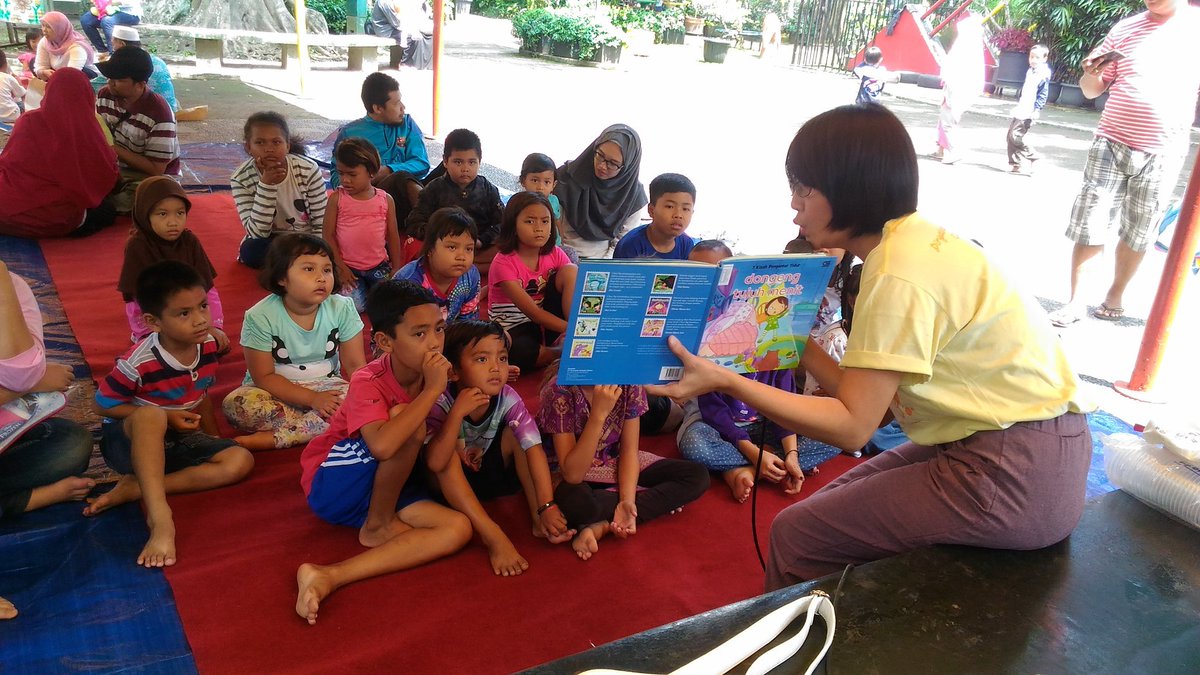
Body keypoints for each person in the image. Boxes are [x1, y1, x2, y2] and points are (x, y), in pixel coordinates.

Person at [648, 104, 1092, 590]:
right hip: (1026, 453)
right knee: (823, 507)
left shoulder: (896, 272)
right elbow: (868, 404)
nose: (794, 204)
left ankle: (800, 637)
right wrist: (791, 337)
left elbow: (855, 427)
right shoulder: (912, 245)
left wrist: (726, 379)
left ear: (848, 188)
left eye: (804, 189)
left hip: (1011, 473)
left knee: (797, 534)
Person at [294, 280, 471, 625]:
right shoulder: (368, 379)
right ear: (385, 342)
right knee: (404, 420)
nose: (434, 343)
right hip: (335, 482)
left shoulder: (436, 372)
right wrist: (432, 391)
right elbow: (383, 446)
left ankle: (329, 575)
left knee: (456, 529)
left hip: (389, 484)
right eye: (419, 334)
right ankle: (378, 525)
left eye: (438, 329)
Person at [87, 261, 255, 568]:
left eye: (203, 306)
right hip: (128, 443)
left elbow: (201, 394)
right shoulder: (137, 362)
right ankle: (160, 518)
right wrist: (165, 415)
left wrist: (213, 440)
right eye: (184, 313)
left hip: (175, 439)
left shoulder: (207, 345)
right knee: (151, 416)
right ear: (153, 322)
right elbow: (101, 405)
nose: (201, 320)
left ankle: (136, 487)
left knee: (239, 461)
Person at [1052, 0, 1200, 326]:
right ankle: (1076, 302)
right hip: (1111, 140)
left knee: (1139, 229)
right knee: (1091, 219)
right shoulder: (1125, 28)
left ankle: (1114, 295)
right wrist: (1090, 73)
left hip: (1163, 150)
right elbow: (1091, 91)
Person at [424, 321, 570, 575]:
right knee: (445, 456)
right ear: (454, 372)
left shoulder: (507, 397)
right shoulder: (441, 402)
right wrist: (456, 414)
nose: (495, 368)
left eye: (502, 358)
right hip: (450, 486)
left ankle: (538, 519)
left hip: (490, 473)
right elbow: (435, 463)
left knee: (519, 436)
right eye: (482, 359)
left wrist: (547, 505)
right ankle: (493, 535)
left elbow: (534, 448)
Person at [0, 262, 97, 621]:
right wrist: (28, 385)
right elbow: (27, 381)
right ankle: (27, 499)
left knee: (70, 444)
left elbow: (21, 373)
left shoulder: (12, 286)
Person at [536, 363, 709, 561]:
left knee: (696, 476)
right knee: (579, 504)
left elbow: (629, 451)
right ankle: (647, 501)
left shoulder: (628, 381)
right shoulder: (559, 390)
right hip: (570, 475)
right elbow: (572, 474)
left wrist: (627, 501)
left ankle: (603, 525)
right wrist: (598, 415)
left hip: (612, 462)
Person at [223, 234, 366, 451]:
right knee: (237, 405)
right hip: (274, 390)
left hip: (327, 386)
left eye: (327, 270)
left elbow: (356, 366)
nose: (321, 278)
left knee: (358, 399)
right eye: (309, 269)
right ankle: (323, 424)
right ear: (282, 277)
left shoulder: (343, 307)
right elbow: (264, 376)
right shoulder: (259, 315)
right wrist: (312, 399)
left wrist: (362, 396)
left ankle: (277, 438)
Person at [0, 68, 118, 238]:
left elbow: (8, 162)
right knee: (107, 210)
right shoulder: (87, 128)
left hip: (5, 210)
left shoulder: (27, 121)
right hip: (55, 218)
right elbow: (105, 175)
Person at [116, 177, 226, 347]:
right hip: (156, 316)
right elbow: (135, 298)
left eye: (180, 213)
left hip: (189, 313)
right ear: (145, 215)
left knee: (210, 346)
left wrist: (212, 325)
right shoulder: (138, 245)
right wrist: (149, 331)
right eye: (162, 214)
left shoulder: (189, 241)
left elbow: (207, 288)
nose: (173, 222)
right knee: (159, 349)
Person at [488, 192, 578, 371]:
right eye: (530, 221)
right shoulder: (503, 262)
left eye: (545, 221)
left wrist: (577, 327)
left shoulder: (555, 252)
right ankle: (560, 350)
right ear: (513, 225)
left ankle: (572, 337)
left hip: (547, 319)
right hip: (513, 323)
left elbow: (573, 284)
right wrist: (573, 331)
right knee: (517, 351)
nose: (539, 228)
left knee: (571, 270)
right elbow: (534, 313)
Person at [331, 72, 429, 228]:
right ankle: (432, 226)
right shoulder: (351, 134)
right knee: (401, 177)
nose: (403, 107)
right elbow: (337, 175)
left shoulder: (407, 124)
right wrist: (363, 181)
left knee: (450, 167)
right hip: (375, 197)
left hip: (413, 190)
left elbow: (422, 163)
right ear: (377, 108)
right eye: (396, 103)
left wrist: (388, 169)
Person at [231, 111, 328, 268]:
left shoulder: (308, 169)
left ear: (287, 145)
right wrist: (266, 185)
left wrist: (318, 250)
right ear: (248, 147)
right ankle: (295, 262)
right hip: (271, 240)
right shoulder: (241, 178)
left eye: (276, 142)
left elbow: (321, 221)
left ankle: (289, 263)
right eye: (260, 142)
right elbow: (257, 232)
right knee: (250, 250)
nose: (269, 149)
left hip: (306, 237)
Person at [406, 128, 504, 280]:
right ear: (445, 161)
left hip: (478, 247)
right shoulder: (434, 189)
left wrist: (481, 240)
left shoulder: (488, 189)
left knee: (511, 247)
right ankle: (468, 268)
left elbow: (502, 223)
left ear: (480, 162)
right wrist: (443, 239)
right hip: (446, 247)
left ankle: (462, 267)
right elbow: (414, 222)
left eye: (472, 162)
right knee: (414, 246)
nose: (465, 168)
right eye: (458, 162)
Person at [96, 46, 179, 215]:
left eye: (119, 80)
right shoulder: (105, 95)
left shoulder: (160, 114)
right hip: (115, 166)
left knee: (149, 195)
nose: (111, 83)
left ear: (140, 84)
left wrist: (111, 148)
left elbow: (156, 169)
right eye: (110, 77)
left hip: (148, 176)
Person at [326, 138, 404, 312]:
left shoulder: (385, 200)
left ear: (371, 172)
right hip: (348, 268)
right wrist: (340, 267)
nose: (345, 180)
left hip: (378, 266)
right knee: (355, 307)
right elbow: (328, 235)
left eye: (352, 174)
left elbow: (393, 235)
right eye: (341, 173)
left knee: (392, 303)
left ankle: (371, 291)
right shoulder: (337, 199)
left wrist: (396, 267)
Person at [554, 124, 648, 258]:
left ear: (627, 167)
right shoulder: (567, 177)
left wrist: (603, 266)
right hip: (559, 256)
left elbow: (620, 244)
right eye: (600, 155)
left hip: (603, 261)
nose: (602, 166)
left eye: (613, 163)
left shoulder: (633, 196)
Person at [392, 207, 481, 323]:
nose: (461, 256)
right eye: (452, 247)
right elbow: (400, 327)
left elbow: (468, 321)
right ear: (430, 249)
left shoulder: (471, 275)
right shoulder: (410, 281)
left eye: (468, 249)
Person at [931, 14, 984, 164]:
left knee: (948, 122)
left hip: (955, 91)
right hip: (953, 89)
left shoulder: (965, 49)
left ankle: (954, 151)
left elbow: (954, 70)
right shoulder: (969, 48)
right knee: (944, 119)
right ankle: (941, 149)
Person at [91, 26, 177, 112]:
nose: (112, 48)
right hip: (172, 108)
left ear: (122, 44)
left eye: (113, 44)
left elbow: (92, 85)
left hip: (151, 111)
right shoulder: (156, 60)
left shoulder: (123, 64)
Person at [614, 173, 697, 260]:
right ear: (651, 210)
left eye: (685, 209)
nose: (678, 215)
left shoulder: (687, 244)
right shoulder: (630, 245)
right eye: (669, 207)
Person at [1005, 44, 1051, 175]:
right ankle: (1015, 164)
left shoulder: (1043, 74)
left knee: (1015, 136)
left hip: (1029, 112)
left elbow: (1043, 94)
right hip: (1022, 108)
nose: (1033, 60)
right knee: (1010, 137)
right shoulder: (1031, 71)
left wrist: (1037, 109)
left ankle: (1033, 156)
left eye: (1037, 57)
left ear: (1044, 58)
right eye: (1031, 57)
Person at [33, 12, 98, 82]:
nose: (44, 30)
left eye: (49, 27)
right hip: (60, 76)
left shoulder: (77, 47)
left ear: (60, 29)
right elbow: (39, 66)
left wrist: (55, 77)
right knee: (32, 62)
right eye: (43, 25)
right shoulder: (45, 42)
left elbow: (71, 75)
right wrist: (43, 72)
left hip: (84, 79)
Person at [369, 0, 433, 70]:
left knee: (417, 33)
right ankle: (404, 63)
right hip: (384, 29)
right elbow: (397, 23)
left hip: (392, 26)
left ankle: (413, 63)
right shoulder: (385, 2)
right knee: (410, 35)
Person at [0, 52, 25, 126]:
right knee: (20, 100)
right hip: (11, 116)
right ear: (6, 64)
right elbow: (22, 93)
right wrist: (19, 82)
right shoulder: (7, 77)